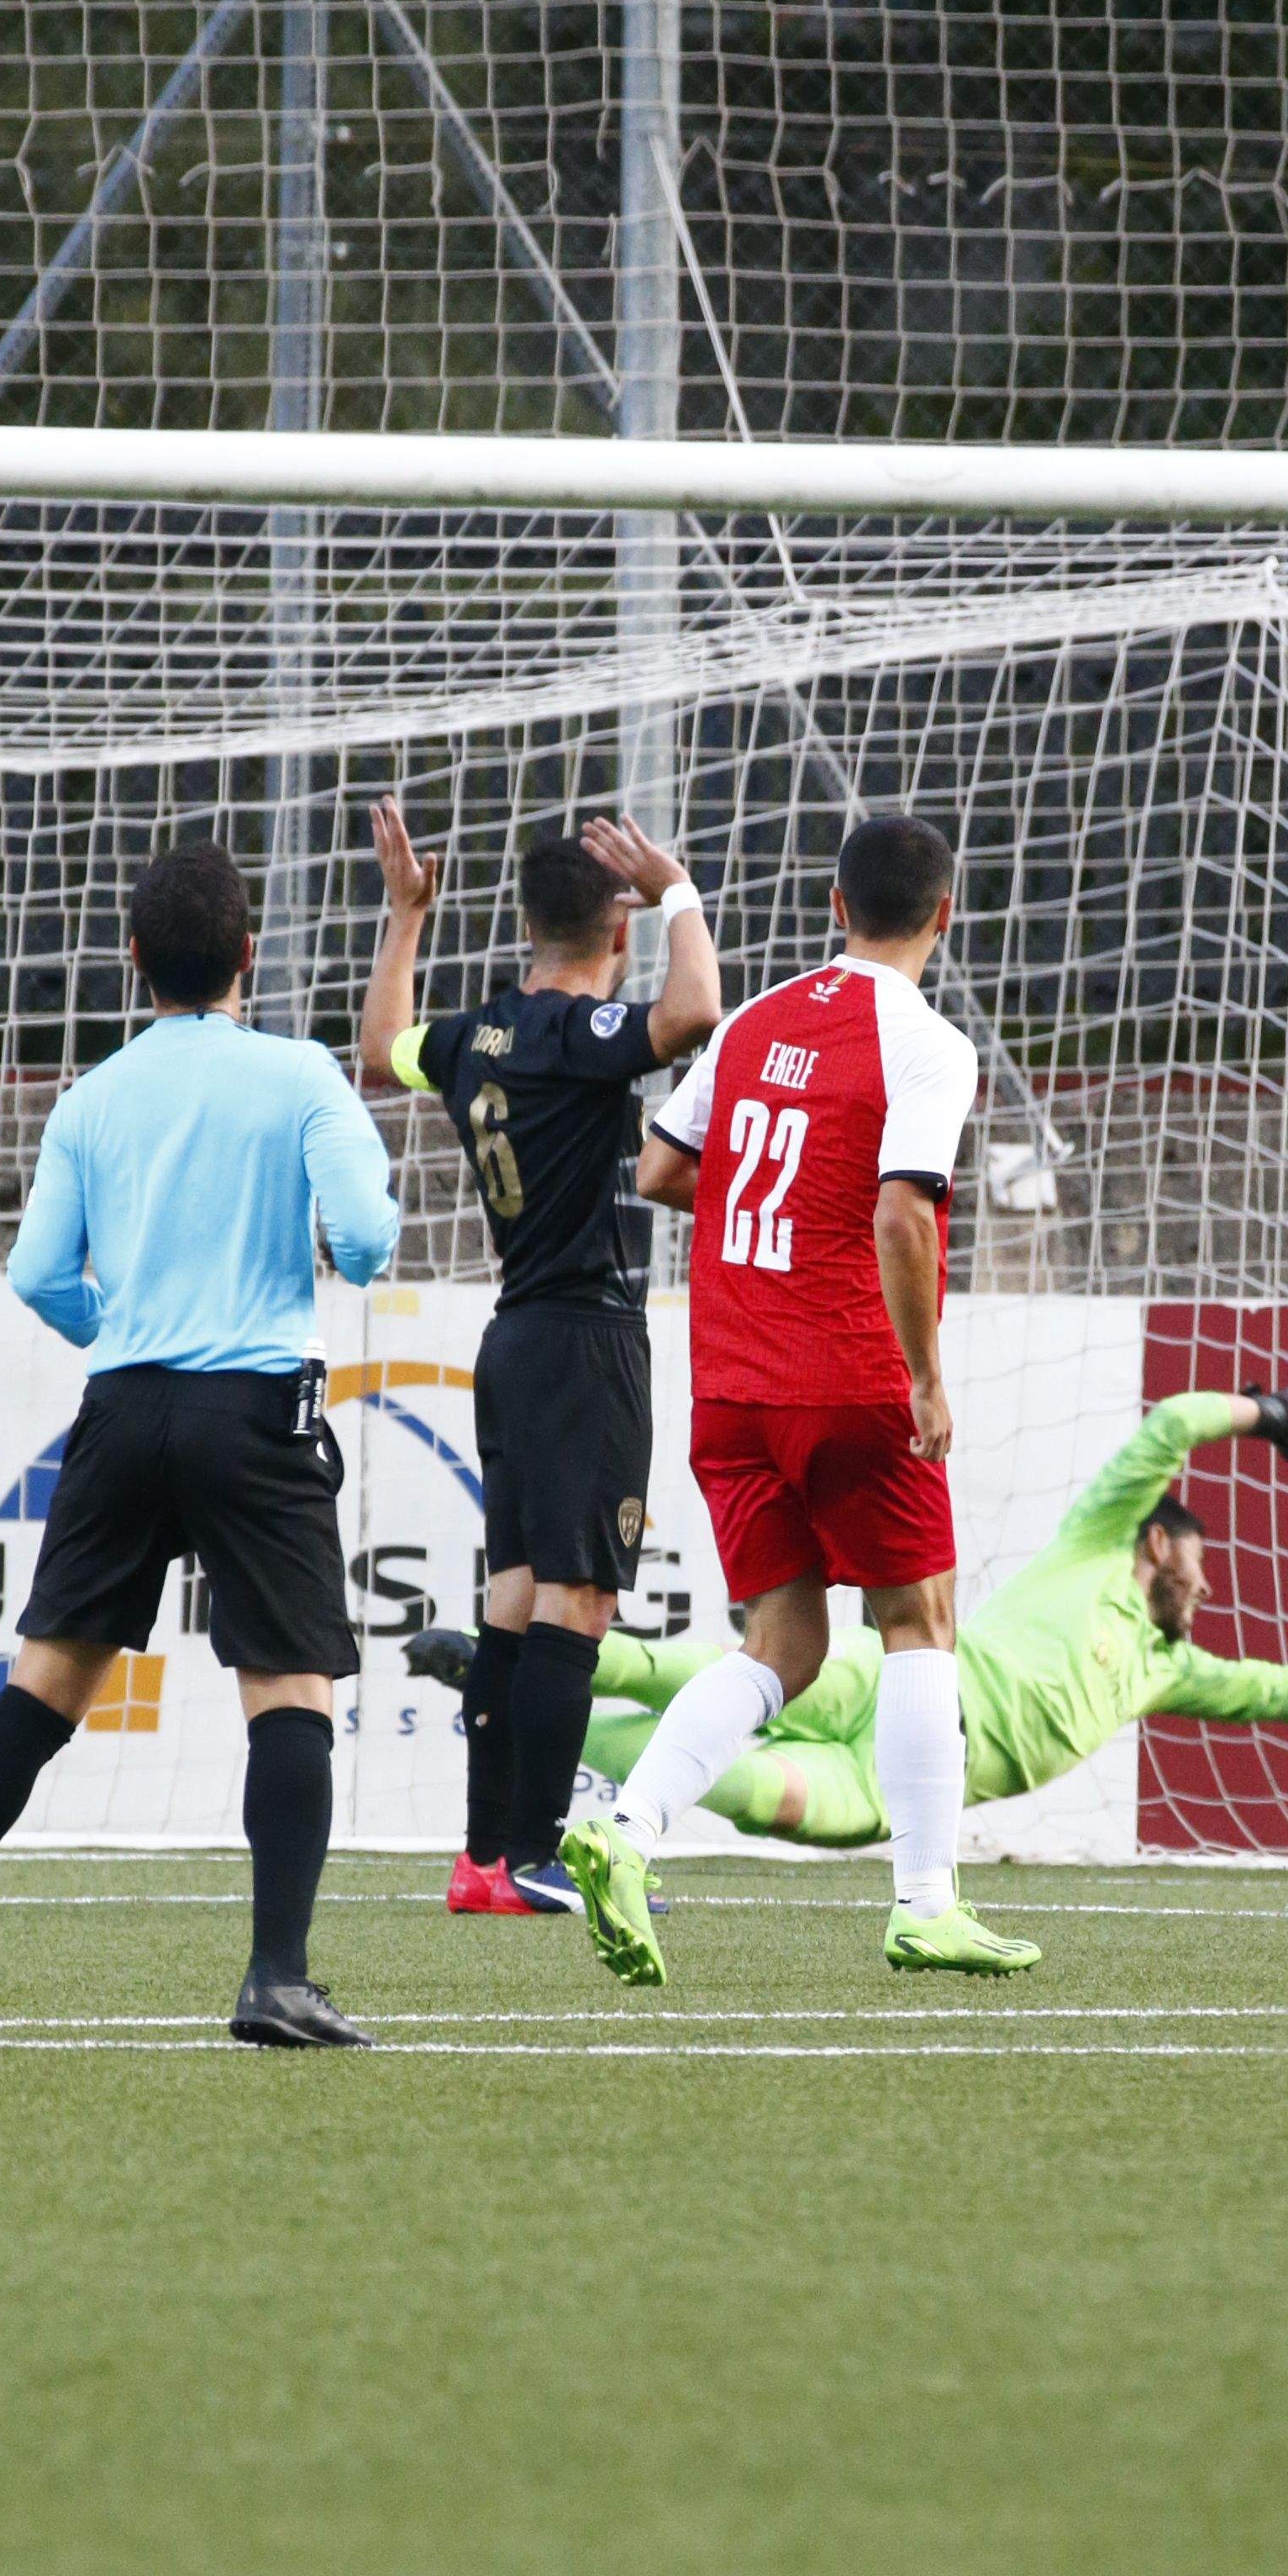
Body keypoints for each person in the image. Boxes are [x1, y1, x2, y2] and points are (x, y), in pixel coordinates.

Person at [0, 840, 401, 2050]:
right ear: (251, 955)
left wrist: (126, 1330)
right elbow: (361, 1240)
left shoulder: (92, 1095)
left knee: (43, 1687)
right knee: (289, 1690)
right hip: (254, 1410)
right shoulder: (299, 1074)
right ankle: (276, 1978)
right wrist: (331, 1251)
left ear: (133, 959)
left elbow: (38, 1270)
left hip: (123, 1407)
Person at [560, 808, 1035, 1988]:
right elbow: (900, 1214)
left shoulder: (758, 1017)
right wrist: (924, 1377)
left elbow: (663, 1169)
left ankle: (625, 1829)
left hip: (731, 1381)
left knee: (784, 1643)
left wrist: (765, 1218)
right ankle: (927, 1901)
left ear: (833, 908)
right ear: (944, 914)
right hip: (847, 1375)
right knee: (918, 1620)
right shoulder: (927, 1042)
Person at [411, 1382, 1288, 1836]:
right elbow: (1161, 1435)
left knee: (777, 1794)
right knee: (724, 1667)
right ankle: (516, 1680)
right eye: (1197, 1566)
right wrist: (1258, 1415)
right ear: (1157, 1542)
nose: (1206, 1588)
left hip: (909, 1779)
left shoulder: (1167, 1665)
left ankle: (571, 1774)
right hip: (908, 1683)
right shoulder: (1096, 1548)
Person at [357, 798, 720, 1913]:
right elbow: (695, 1009)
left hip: (513, 1338)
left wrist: (404, 919)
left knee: (514, 1601)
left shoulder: (475, 1037)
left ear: (523, 924)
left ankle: (484, 1859)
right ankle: (536, 1853)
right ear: (615, 935)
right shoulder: (579, 1037)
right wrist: (679, 893)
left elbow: (378, 1052)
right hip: (584, 1340)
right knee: (581, 1603)